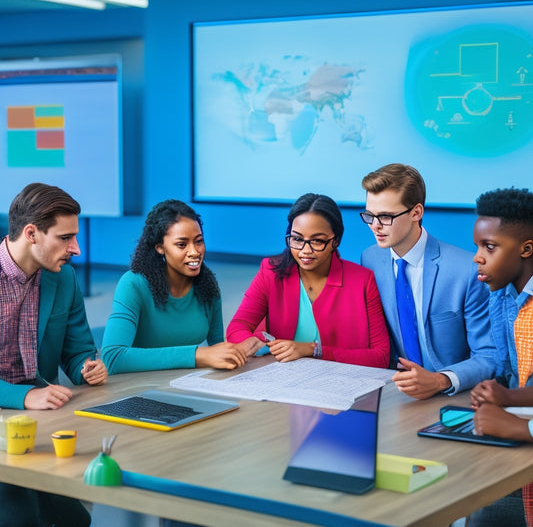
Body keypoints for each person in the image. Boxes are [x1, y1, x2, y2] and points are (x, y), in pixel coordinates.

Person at [0, 182, 107, 527]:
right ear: (31, 233)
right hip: (18, 412)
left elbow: (77, 350)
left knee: (74, 519)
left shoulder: (64, 280)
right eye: (65, 238)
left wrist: (86, 367)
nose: (76, 248)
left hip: (46, 416)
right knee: (22, 517)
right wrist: (26, 395)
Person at [360, 163, 499, 399]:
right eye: (370, 215)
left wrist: (440, 380)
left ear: (416, 213)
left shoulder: (466, 270)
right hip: (393, 391)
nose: (375, 225)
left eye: (385, 216)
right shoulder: (370, 258)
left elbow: (489, 356)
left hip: (452, 393)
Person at [226, 193, 390, 366]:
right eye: (297, 239)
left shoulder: (363, 280)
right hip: (280, 379)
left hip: (341, 382)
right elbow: (237, 327)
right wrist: (258, 343)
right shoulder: (270, 271)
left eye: (317, 241)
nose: (305, 250)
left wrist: (313, 350)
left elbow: (381, 357)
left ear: (336, 241)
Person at [101, 199, 248, 374]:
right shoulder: (133, 284)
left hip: (184, 383)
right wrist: (197, 355)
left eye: (199, 241)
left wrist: (247, 349)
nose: (194, 252)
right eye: (182, 244)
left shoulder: (207, 284)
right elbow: (113, 357)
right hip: (135, 389)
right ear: (160, 248)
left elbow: (216, 347)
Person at [467, 187, 533, 527]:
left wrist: (520, 423)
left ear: (526, 249)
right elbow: (514, 376)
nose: (477, 257)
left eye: (489, 247)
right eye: (478, 246)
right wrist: (498, 392)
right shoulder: (502, 295)